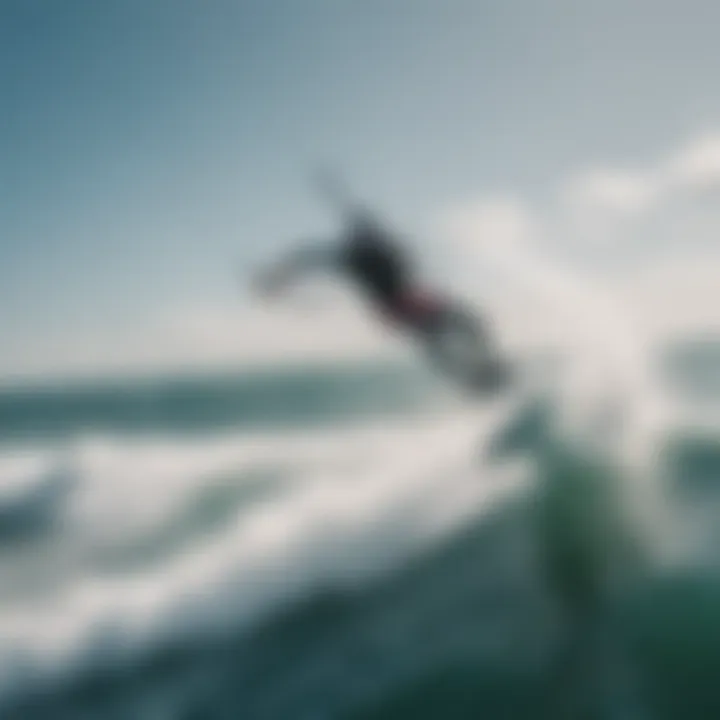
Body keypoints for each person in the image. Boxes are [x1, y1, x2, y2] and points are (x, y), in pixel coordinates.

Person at [254, 205, 509, 394]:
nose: (372, 235)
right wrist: (278, 277)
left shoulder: (381, 246)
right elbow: (310, 257)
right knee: (441, 336)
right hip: (399, 306)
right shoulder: (351, 257)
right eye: (367, 233)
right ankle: (476, 377)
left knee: (462, 324)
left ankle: (484, 368)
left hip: (411, 301)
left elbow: (409, 261)